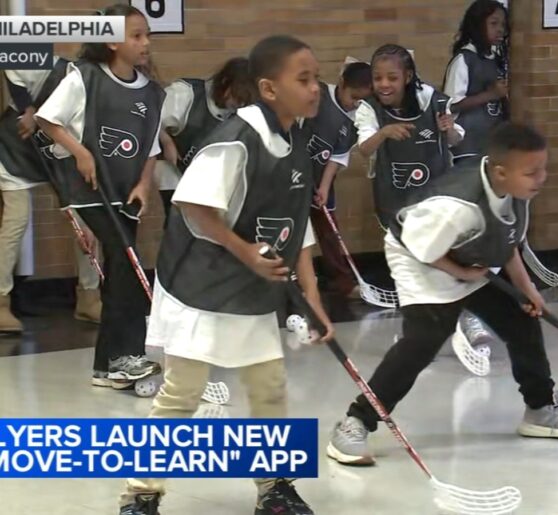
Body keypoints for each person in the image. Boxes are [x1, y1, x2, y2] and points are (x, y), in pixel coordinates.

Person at [118, 35, 334, 515]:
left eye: (316, 77)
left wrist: (314, 296)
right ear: (268, 88)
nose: (316, 88)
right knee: (182, 393)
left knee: (269, 388)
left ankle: (273, 486)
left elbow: (296, 227)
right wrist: (244, 251)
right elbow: (193, 207)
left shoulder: (296, 138)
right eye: (304, 79)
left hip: (252, 287)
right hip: (200, 283)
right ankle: (140, 494)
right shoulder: (235, 140)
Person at [327, 122, 558, 467]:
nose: (541, 178)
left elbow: (506, 240)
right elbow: (422, 248)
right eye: (532, 172)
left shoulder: (517, 192)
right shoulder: (458, 206)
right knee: (423, 341)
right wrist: (464, 274)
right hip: (419, 255)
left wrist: (528, 292)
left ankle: (541, 409)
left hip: (467, 252)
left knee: (521, 320)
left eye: (543, 168)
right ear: (500, 172)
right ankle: (355, 423)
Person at [35, 4, 164, 385]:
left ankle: (109, 364)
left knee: (123, 268)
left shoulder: (153, 92)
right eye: (136, 35)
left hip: (128, 193)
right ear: (111, 41)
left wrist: (144, 183)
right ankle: (126, 356)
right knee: (127, 262)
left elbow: (151, 147)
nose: (145, 43)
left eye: (147, 35)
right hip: (90, 192)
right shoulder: (85, 76)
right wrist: (81, 152)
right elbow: (47, 118)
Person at [0, 57, 103, 331]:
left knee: (86, 223)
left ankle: (89, 297)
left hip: (62, 152)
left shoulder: (96, 97)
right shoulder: (40, 61)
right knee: (16, 220)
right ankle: (0, 302)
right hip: (16, 147)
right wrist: (28, 107)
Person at [355, 44, 463, 230]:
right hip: (393, 195)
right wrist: (384, 132)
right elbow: (364, 149)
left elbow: (455, 140)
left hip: (435, 193)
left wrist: (448, 129)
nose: (384, 84)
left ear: (408, 77)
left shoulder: (433, 101)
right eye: (377, 78)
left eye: (392, 78)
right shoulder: (369, 108)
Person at [156, 56, 255, 224]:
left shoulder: (240, 112)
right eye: (236, 98)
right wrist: (166, 141)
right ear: (224, 83)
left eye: (242, 102)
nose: (237, 104)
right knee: (178, 222)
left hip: (209, 175)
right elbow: (150, 119)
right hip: (173, 171)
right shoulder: (185, 93)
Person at [306, 60, 372, 298]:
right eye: (353, 96)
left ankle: (342, 281)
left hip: (322, 178)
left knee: (329, 231)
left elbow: (337, 156)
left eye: (361, 100)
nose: (354, 103)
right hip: (293, 176)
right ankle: (292, 282)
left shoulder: (356, 119)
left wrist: (323, 187)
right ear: (342, 83)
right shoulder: (319, 94)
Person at [443, 0, 509, 164]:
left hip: (491, 143)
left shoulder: (496, 59)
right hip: (467, 146)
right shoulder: (464, 59)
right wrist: (491, 94)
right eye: (493, 23)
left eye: (503, 25)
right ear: (478, 25)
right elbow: (451, 104)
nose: (500, 29)